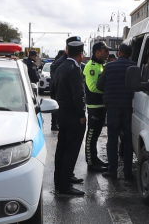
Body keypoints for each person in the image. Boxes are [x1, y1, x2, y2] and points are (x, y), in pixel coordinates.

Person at [51, 41, 87, 196]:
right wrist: (81, 114)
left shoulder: (60, 67)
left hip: (62, 113)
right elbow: (78, 94)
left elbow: (53, 90)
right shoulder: (74, 69)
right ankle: (65, 185)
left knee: (62, 149)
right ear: (80, 54)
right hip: (73, 116)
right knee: (71, 151)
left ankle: (59, 181)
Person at [97, 43, 136, 180]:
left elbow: (99, 85)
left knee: (112, 139)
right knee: (128, 139)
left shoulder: (109, 67)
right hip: (129, 107)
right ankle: (127, 172)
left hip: (112, 107)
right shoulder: (134, 67)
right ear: (129, 54)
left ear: (119, 52)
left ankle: (112, 171)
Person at [83, 41, 111, 172]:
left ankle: (95, 158)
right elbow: (93, 87)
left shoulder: (102, 65)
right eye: (105, 51)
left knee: (97, 134)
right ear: (97, 52)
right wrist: (109, 92)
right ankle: (90, 162)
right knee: (92, 134)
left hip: (102, 104)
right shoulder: (92, 66)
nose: (108, 53)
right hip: (94, 105)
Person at [50, 37, 81, 131]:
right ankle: (54, 124)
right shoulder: (60, 63)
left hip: (71, 108)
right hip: (64, 107)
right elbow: (55, 86)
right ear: (67, 48)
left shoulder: (75, 62)